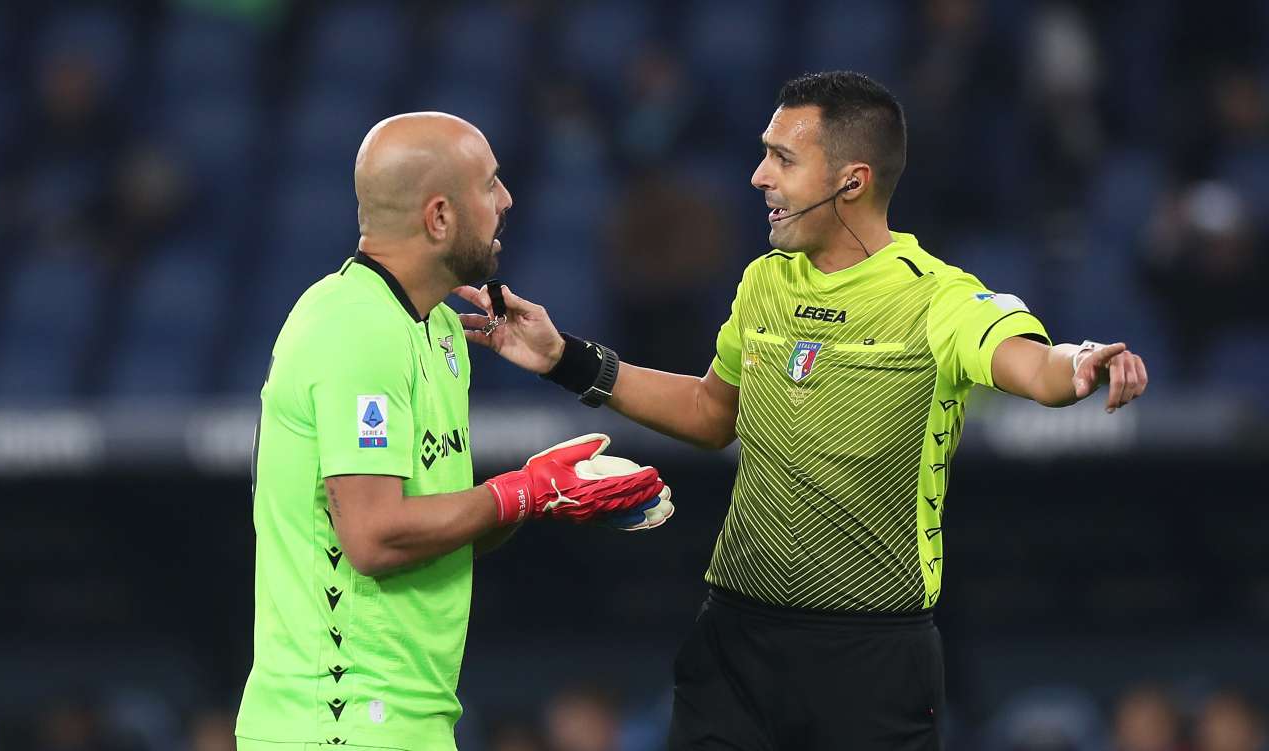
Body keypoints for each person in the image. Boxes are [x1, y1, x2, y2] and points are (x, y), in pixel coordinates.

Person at [458, 71, 1149, 750]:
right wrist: (564, 359)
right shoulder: (764, 279)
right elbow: (710, 411)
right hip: (734, 643)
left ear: (852, 180)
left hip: (871, 660)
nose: (759, 176)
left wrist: (1081, 362)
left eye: (782, 158)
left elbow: (1034, 364)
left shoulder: (936, 297)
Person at [235, 112, 672, 751]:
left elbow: (434, 532)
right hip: (338, 722)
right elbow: (375, 538)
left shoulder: (440, 331)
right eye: (490, 185)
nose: (507, 200)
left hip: (407, 720)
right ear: (439, 217)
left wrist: (549, 492)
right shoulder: (355, 327)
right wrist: (521, 492)